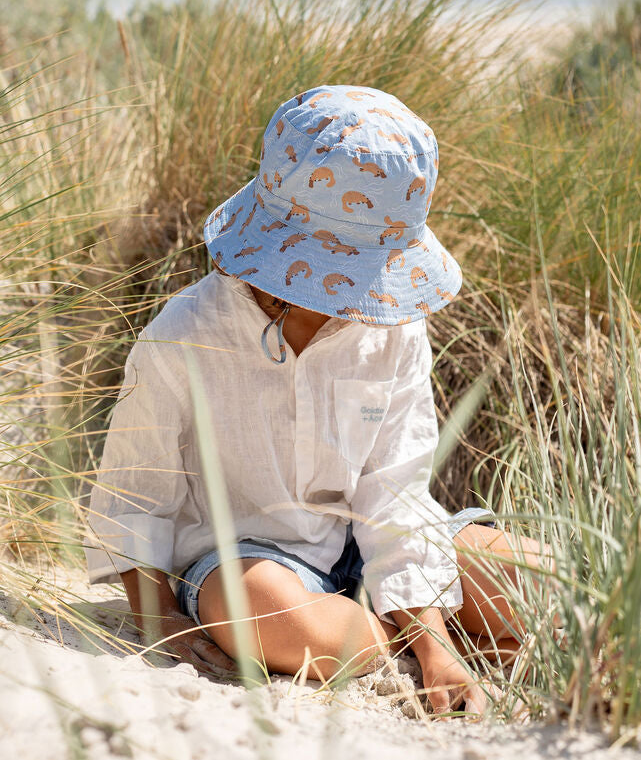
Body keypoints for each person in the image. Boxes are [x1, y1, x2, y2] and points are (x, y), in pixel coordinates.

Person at [84, 84, 550, 716]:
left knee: (556, 580)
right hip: (248, 563)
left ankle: (414, 632)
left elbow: (397, 490)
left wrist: (437, 644)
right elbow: (137, 489)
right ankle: (392, 637)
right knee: (275, 615)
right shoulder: (186, 332)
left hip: (369, 549)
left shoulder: (392, 333)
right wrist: (158, 619)